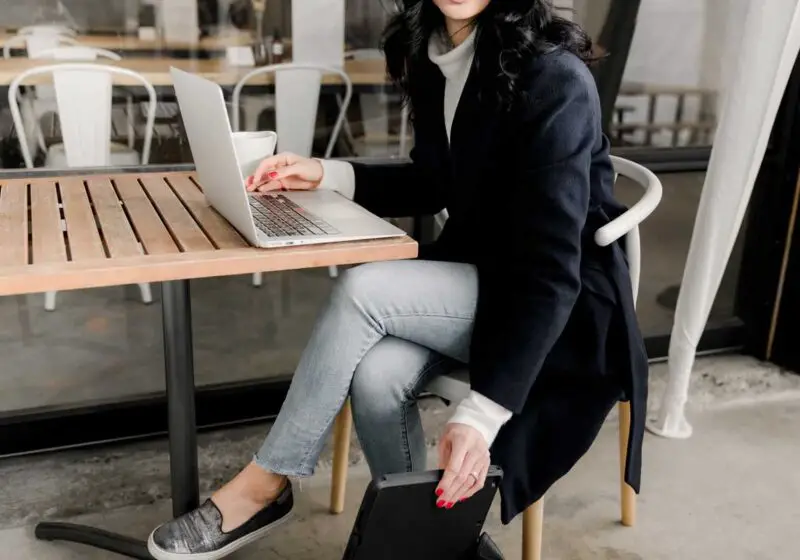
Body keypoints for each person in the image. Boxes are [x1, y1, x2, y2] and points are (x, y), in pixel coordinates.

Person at [147, 1, 648, 558]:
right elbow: (437, 182)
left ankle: (267, 483)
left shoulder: (555, 77)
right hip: (484, 272)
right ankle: (432, 539)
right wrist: (326, 173)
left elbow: (553, 269)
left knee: (365, 289)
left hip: (561, 302)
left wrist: (482, 416)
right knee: (378, 376)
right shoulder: (439, 50)